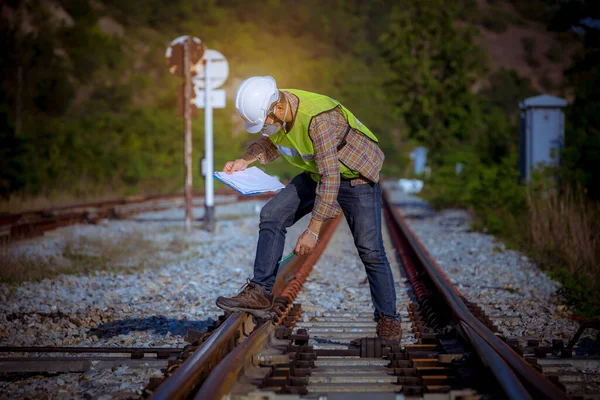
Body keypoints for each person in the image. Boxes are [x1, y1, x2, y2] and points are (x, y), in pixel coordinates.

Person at [215, 76, 402, 341]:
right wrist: (245, 160)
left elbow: (331, 178)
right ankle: (260, 291)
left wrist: (312, 231)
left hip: (356, 174)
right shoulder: (278, 109)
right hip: (319, 173)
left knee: (370, 249)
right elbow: (272, 140)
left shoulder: (318, 120)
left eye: (265, 121)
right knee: (272, 215)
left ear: (278, 109)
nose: (264, 127)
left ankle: (389, 320)